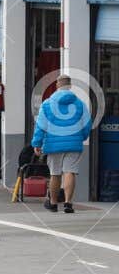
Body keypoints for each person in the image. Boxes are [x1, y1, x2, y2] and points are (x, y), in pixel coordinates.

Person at [32, 75, 95, 213]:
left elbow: (41, 126)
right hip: (74, 144)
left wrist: (36, 143)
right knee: (70, 172)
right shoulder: (80, 104)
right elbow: (87, 125)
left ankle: (53, 203)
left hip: (53, 145)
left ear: (57, 86)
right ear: (70, 86)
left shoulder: (47, 104)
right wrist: (81, 137)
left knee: (55, 174)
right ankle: (68, 203)